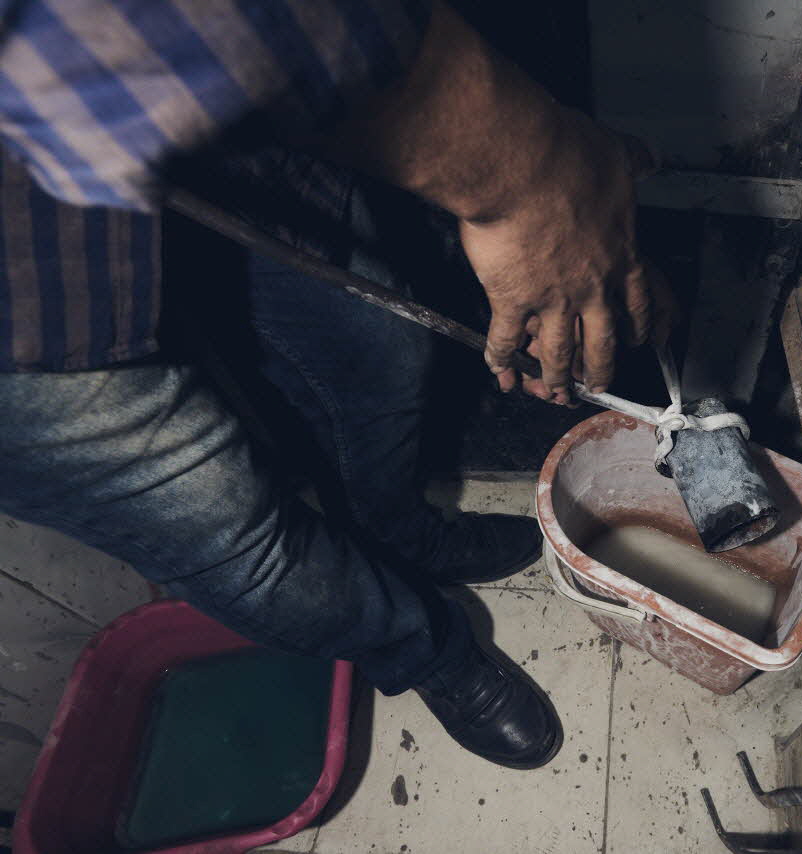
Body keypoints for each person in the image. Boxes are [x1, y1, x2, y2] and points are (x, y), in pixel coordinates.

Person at [0, 0, 669, 770]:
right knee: (238, 541)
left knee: (379, 347)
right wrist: (530, 168)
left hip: (189, 136)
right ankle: (432, 653)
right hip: (24, 321)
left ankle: (402, 532)